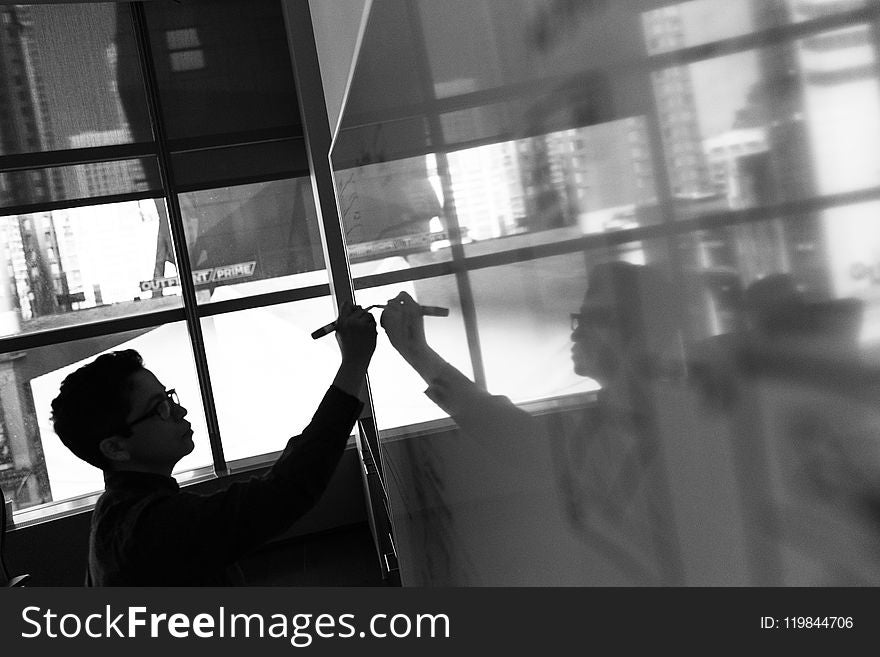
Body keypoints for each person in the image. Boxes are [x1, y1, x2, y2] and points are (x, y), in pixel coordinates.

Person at [379, 261, 685, 584]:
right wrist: (418, 353)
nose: (578, 330)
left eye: (594, 319)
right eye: (580, 319)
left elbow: (510, 433)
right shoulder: (615, 422)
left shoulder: (662, 434)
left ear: (640, 334)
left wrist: (418, 353)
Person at [50, 301, 376, 586]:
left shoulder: (117, 511)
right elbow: (284, 493)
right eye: (158, 408)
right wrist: (354, 361)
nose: (179, 410)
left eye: (169, 398)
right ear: (115, 448)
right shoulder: (151, 529)